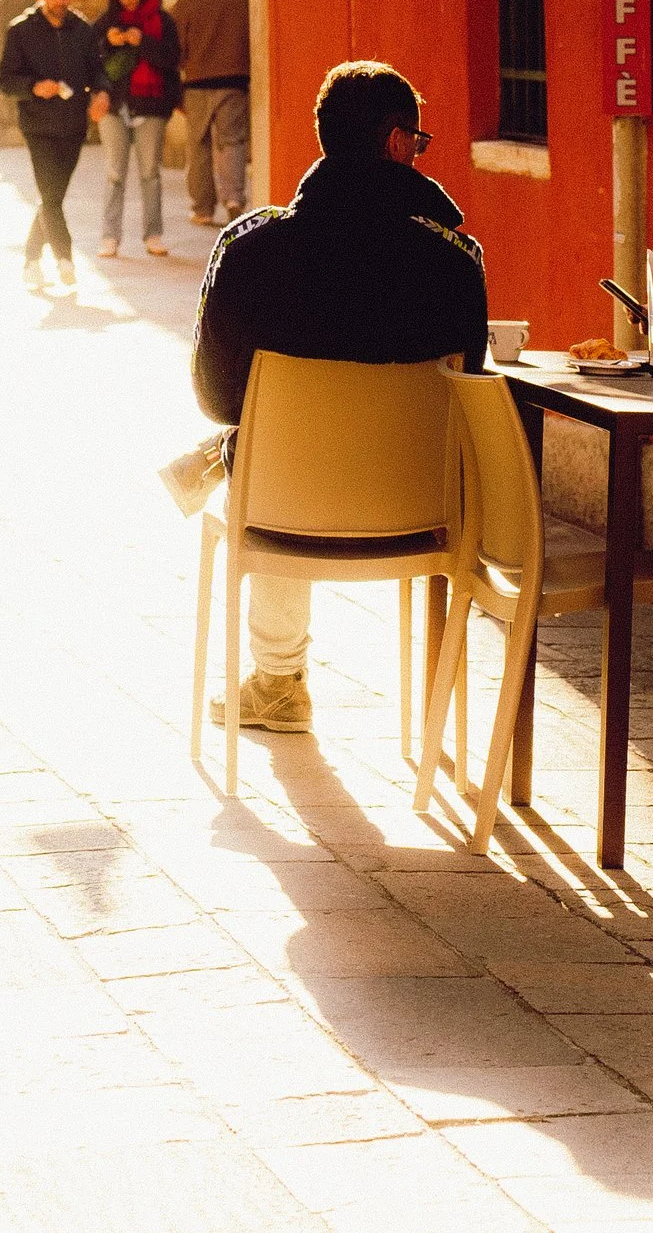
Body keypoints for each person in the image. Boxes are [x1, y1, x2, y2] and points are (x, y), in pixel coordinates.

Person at [185, 60, 487, 735]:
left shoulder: (249, 252)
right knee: (271, 454)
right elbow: (471, 386)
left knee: (264, 451)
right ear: (394, 143)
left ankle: (277, 680)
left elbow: (214, 396)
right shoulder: (454, 260)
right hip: (419, 510)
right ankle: (439, 720)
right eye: (417, 139)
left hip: (281, 510)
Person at [0, 0, 108, 294]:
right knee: (51, 194)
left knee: (52, 195)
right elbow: (5, 80)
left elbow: (98, 72)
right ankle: (65, 259)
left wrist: (101, 93)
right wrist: (33, 87)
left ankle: (31, 258)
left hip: (74, 124)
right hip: (38, 125)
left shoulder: (84, 30)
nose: (59, 1)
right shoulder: (20, 31)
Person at [95, 0, 180, 260]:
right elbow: (90, 60)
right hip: (115, 106)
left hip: (151, 106)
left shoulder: (162, 21)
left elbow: (172, 59)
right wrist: (109, 41)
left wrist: (142, 41)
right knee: (114, 173)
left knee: (150, 173)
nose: (127, 0)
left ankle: (153, 234)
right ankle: (109, 237)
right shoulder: (106, 22)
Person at [172, 0, 251, 228]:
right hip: (233, 82)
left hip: (196, 83)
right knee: (232, 141)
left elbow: (176, 49)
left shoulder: (184, 4)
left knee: (198, 146)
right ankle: (234, 198)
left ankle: (203, 208)